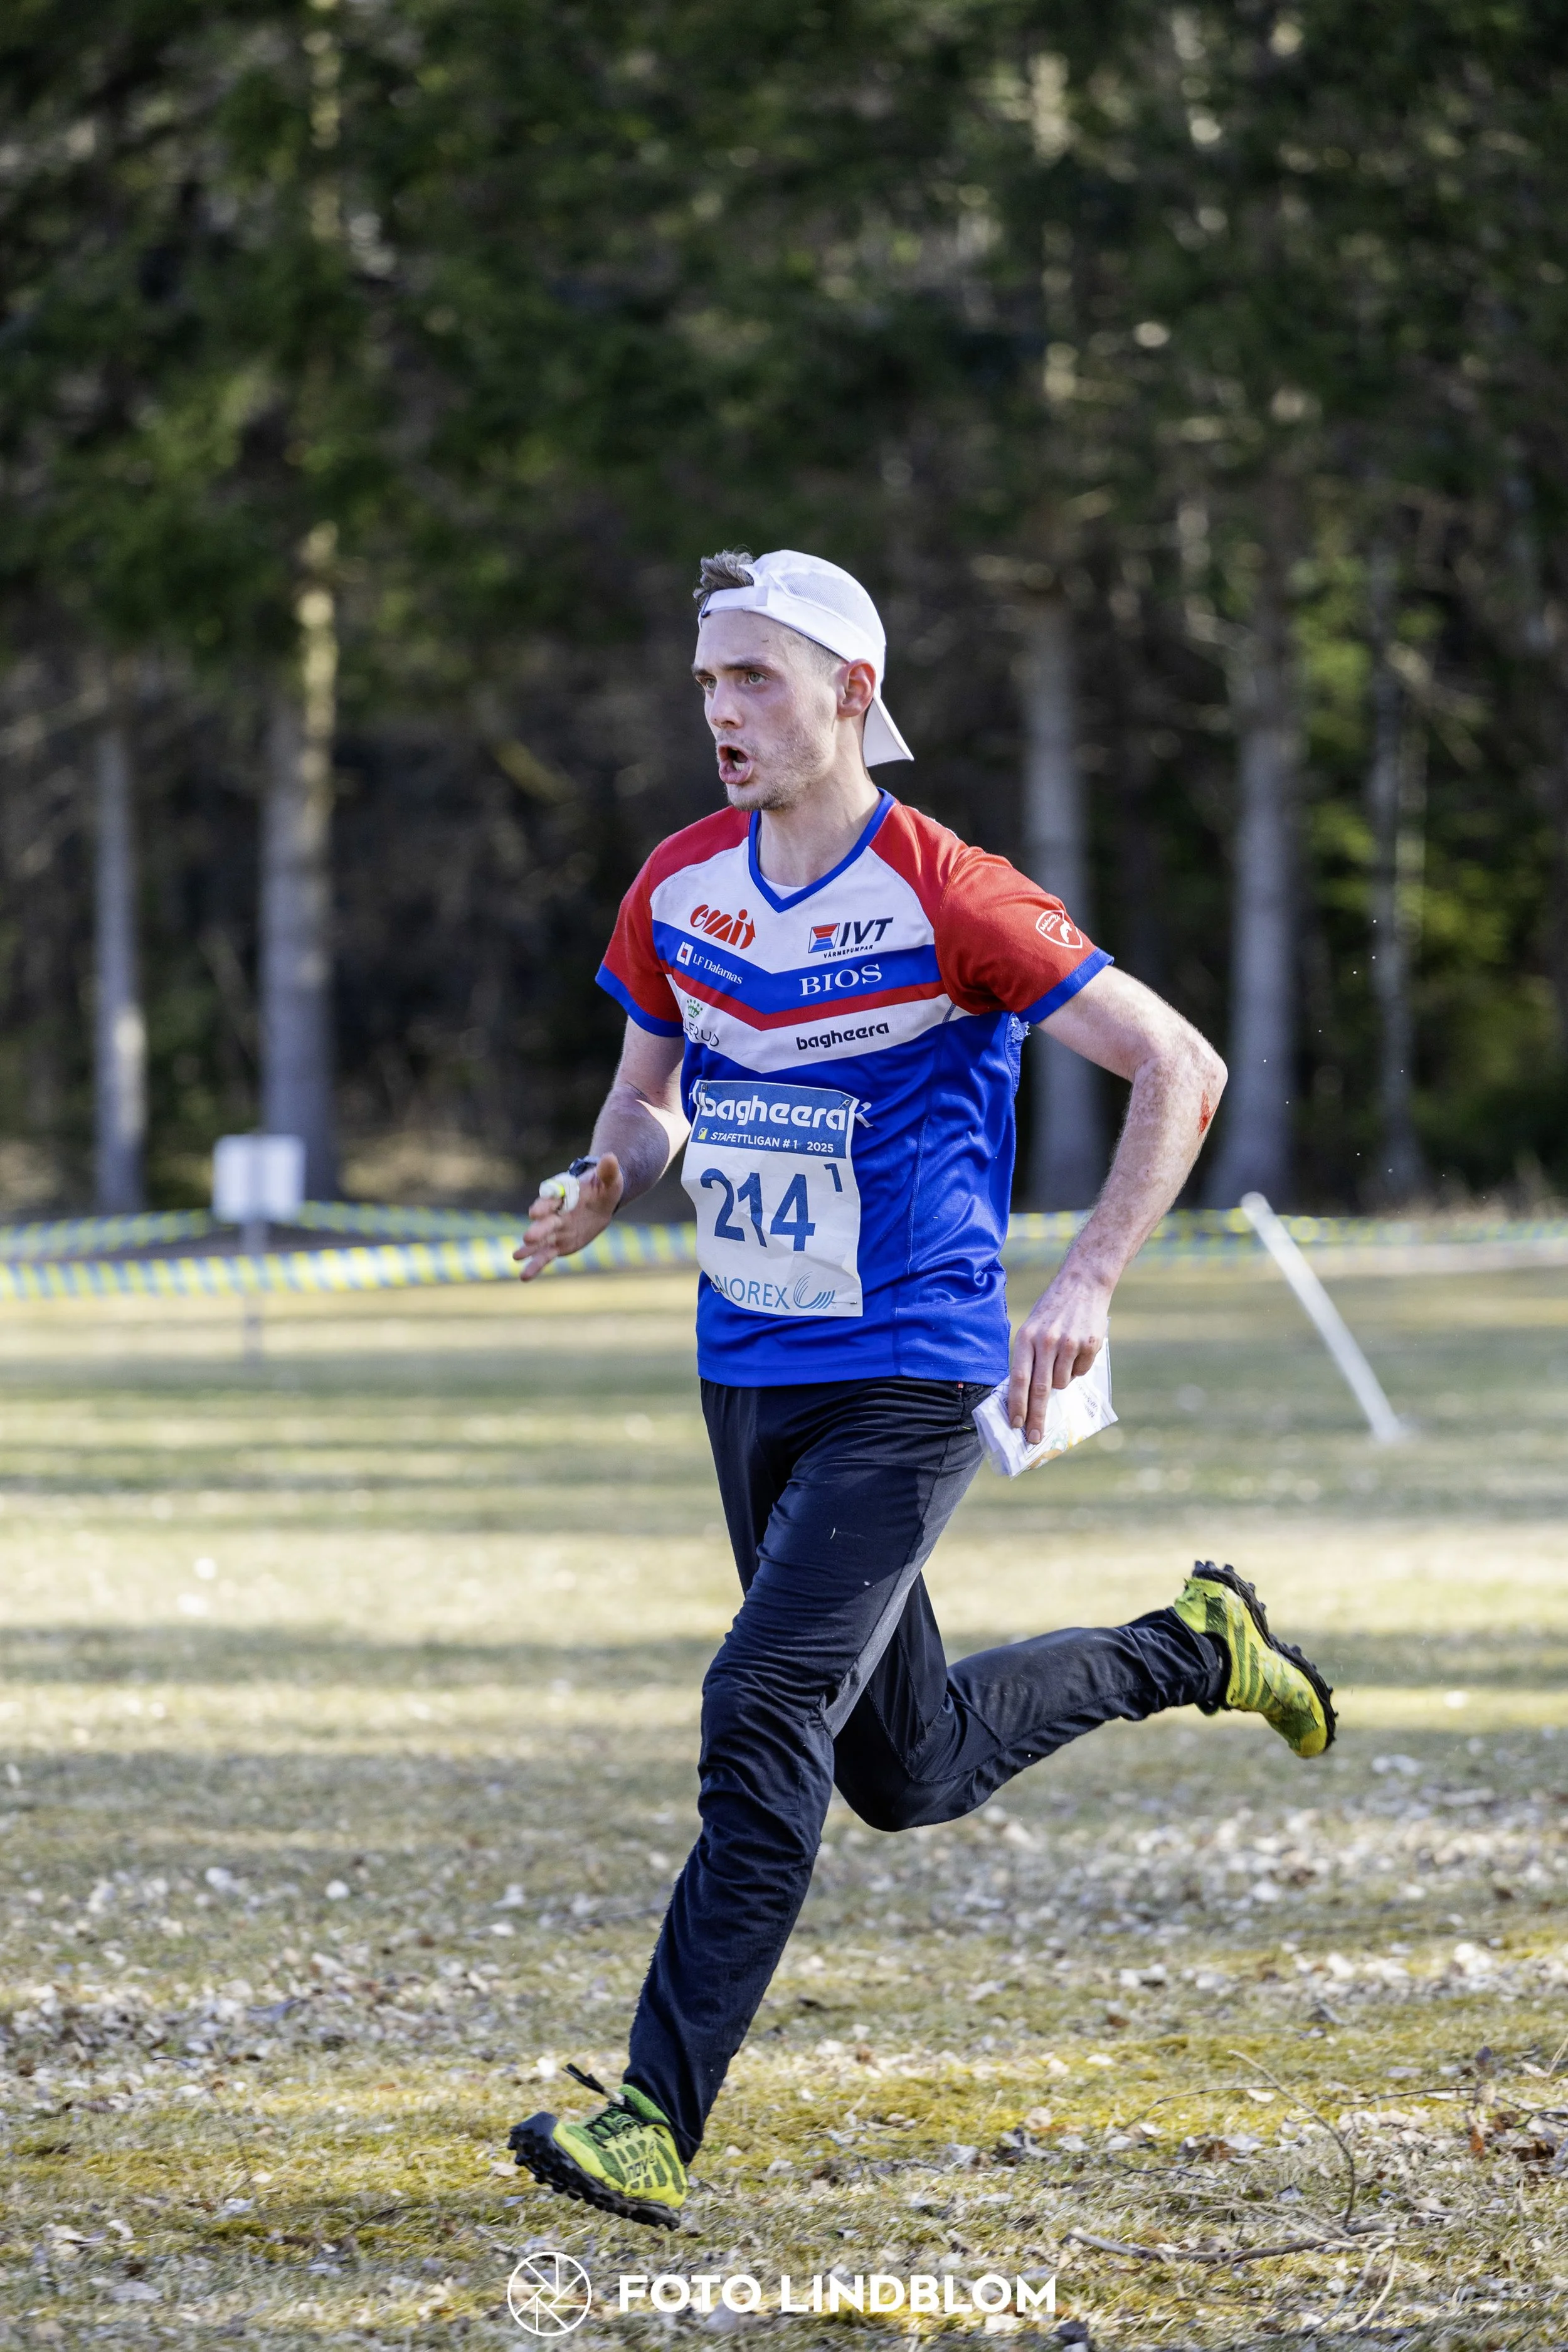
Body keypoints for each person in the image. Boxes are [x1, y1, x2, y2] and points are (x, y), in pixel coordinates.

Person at [506, 548, 1335, 2228]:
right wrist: (601, 1178)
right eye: (706, 683)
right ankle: (1196, 1644)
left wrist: (1084, 1279)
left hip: (909, 1366)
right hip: (745, 1366)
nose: (721, 713)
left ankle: (653, 2118)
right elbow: (648, 1098)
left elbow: (1177, 1063)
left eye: (752, 678)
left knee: (758, 1710)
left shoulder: (950, 887)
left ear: (851, 696)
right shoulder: (676, 884)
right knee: (909, 1764)